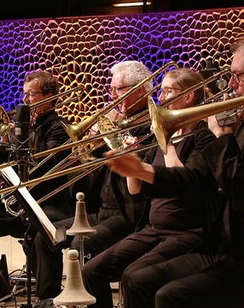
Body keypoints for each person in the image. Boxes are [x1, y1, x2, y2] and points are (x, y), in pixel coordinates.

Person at [105, 33, 244, 307]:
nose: (231, 85)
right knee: (138, 280)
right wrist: (142, 171)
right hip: (229, 248)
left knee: (172, 296)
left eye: (238, 76)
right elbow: (196, 179)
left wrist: (222, 139)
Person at [81, 68, 218, 308]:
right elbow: (136, 191)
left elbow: (182, 182)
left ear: (189, 96)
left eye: (168, 91)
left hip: (188, 231)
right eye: (162, 91)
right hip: (153, 228)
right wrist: (131, 162)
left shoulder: (204, 138)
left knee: (133, 277)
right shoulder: (160, 138)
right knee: (92, 271)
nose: (161, 98)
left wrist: (168, 142)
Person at [32, 60, 154, 308]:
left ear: (140, 89)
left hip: (130, 213)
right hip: (98, 210)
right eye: (112, 89)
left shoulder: (152, 123)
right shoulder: (117, 120)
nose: (112, 96)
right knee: (45, 235)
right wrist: (89, 150)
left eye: (118, 89)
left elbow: (145, 176)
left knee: (82, 243)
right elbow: (89, 179)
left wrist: (121, 144)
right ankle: (47, 299)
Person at [0, 70, 74, 238]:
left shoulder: (61, 127)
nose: (25, 100)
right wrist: (4, 138)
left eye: (31, 94)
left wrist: (22, 133)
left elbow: (43, 163)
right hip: (16, 202)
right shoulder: (26, 126)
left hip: (44, 203)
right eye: (24, 94)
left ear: (50, 96)